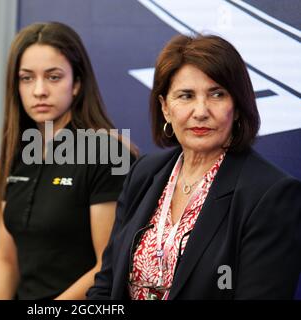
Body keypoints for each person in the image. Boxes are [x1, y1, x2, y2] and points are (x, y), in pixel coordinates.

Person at [87, 34, 301, 300]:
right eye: (186, 96)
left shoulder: (270, 194)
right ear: (165, 108)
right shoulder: (144, 173)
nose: (200, 111)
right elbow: (106, 285)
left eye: (217, 94)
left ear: (237, 105)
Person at [0, 22, 137, 300]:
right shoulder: (17, 154)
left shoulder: (106, 152)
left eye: (53, 77)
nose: (39, 90)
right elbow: (6, 262)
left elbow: (108, 266)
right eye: (26, 78)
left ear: (76, 83)